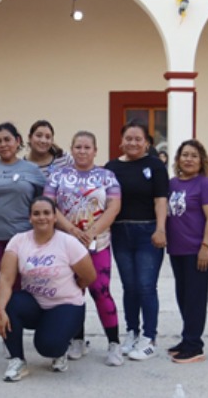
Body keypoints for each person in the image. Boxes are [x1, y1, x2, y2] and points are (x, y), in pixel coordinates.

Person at [0, 197, 97, 382]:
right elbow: (6, 277)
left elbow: (89, 276)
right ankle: (17, 360)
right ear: (30, 218)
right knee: (11, 302)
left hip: (65, 304)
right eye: (36, 213)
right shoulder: (18, 241)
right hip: (34, 304)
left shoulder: (68, 242)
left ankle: (61, 346)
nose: (42, 217)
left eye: (46, 213)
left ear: (54, 217)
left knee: (48, 347)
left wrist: (76, 287)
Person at [45, 131, 123, 366]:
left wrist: (92, 231)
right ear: (71, 149)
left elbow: (114, 207)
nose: (82, 151)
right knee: (72, 293)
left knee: (100, 291)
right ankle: (77, 340)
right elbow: (49, 204)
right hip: (66, 243)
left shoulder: (107, 176)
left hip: (98, 243)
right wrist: (71, 230)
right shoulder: (57, 175)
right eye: (78, 147)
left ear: (95, 150)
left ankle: (114, 343)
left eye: (87, 147)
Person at [0, 122, 46, 354]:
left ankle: (10, 335)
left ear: (17, 141)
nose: (3, 144)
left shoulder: (32, 170)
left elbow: (42, 205)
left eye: (7, 139)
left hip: (21, 241)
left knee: (15, 290)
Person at [105, 120, 169, 361]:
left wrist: (161, 229)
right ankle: (131, 332)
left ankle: (149, 338)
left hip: (148, 231)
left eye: (138, 139)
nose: (132, 143)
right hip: (120, 232)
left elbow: (160, 200)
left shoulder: (155, 165)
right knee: (129, 287)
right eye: (128, 138)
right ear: (121, 141)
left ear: (147, 143)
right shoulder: (111, 167)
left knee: (145, 286)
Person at [165, 139, 208, 363]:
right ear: (177, 159)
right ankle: (188, 338)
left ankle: (195, 346)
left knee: (196, 298)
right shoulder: (172, 184)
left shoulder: (204, 184)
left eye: (194, 155)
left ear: (201, 161)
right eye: (185, 155)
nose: (188, 159)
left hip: (197, 250)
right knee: (183, 297)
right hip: (177, 250)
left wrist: (205, 246)